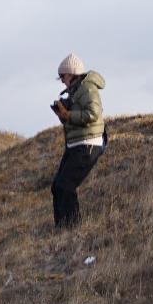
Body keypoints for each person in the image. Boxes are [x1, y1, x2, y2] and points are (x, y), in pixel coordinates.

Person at [49, 54, 106, 231]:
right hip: (77, 145)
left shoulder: (87, 88)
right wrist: (64, 115)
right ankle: (61, 228)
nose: (62, 82)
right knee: (57, 186)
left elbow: (93, 113)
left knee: (66, 185)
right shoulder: (76, 90)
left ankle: (73, 227)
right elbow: (77, 119)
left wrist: (69, 115)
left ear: (71, 74)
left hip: (88, 145)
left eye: (63, 77)